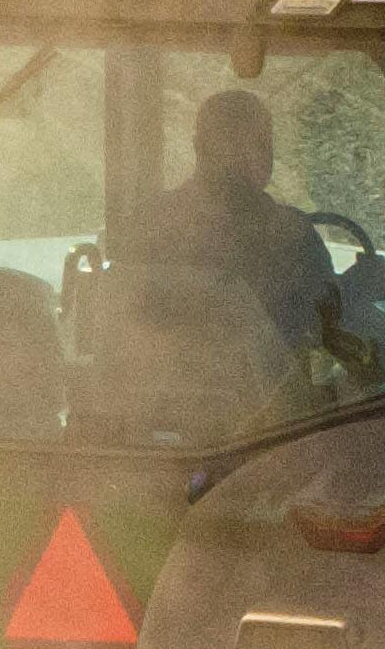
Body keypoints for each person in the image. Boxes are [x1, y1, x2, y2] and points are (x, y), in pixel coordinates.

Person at [122, 86, 368, 422]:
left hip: (147, 418)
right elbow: (330, 325)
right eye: (249, 144)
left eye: (263, 145)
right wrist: (361, 289)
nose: (260, 156)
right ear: (199, 148)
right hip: (267, 427)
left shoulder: (146, 224)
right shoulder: (288, 235)